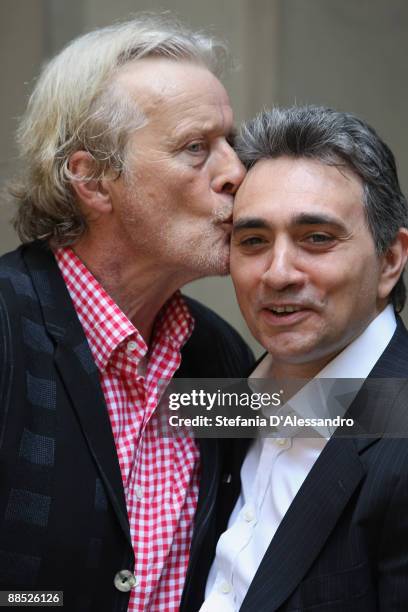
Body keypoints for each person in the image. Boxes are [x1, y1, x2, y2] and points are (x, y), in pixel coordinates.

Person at [0, 15, 254, 612]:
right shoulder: (8, 327)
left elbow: (344, 430)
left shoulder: (215, 353)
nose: (236, 174)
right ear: (92, 180)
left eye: (230, 143)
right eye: (196, 148)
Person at [202, 106, 408, 611]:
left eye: (317, 238)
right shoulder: (223, 393)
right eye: (252, 241)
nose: (277, 274)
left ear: (390, 261)